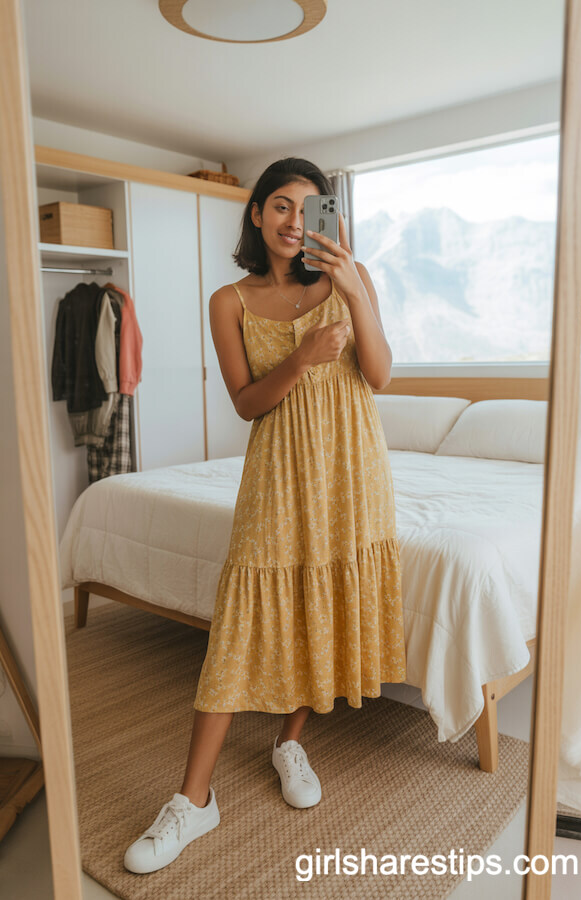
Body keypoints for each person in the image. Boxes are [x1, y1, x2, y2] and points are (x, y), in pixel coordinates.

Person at [124, 157, 406, 874]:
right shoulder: (231, 300)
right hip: (278, 472)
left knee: (320, 604)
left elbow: (378, 375)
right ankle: (193, 799)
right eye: (279, 205)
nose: (291, 221)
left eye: (306, 209)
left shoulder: (352, 277)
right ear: (256, 214)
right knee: (241, 622)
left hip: (351, 470)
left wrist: (351, 288)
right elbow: (246, 403)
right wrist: (306, 357)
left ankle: (289, 741)